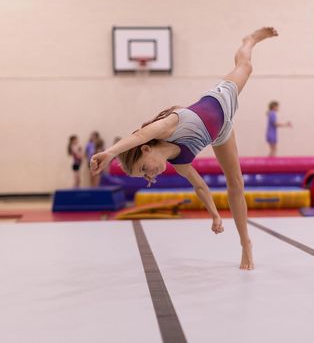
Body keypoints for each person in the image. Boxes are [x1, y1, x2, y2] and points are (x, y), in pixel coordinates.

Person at [90, 27, 278, 270]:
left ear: (146, 150)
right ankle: (246, 244)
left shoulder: (168, 126)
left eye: (145, 169)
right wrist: (214, 214)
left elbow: (139, 135)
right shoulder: (180, 164)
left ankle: (249, 40)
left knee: (246, 66)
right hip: (221, 132)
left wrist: (111, 152)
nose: (151, 174)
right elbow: (200, 186)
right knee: (236, 183)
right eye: (146, 176)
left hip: (221, 100)